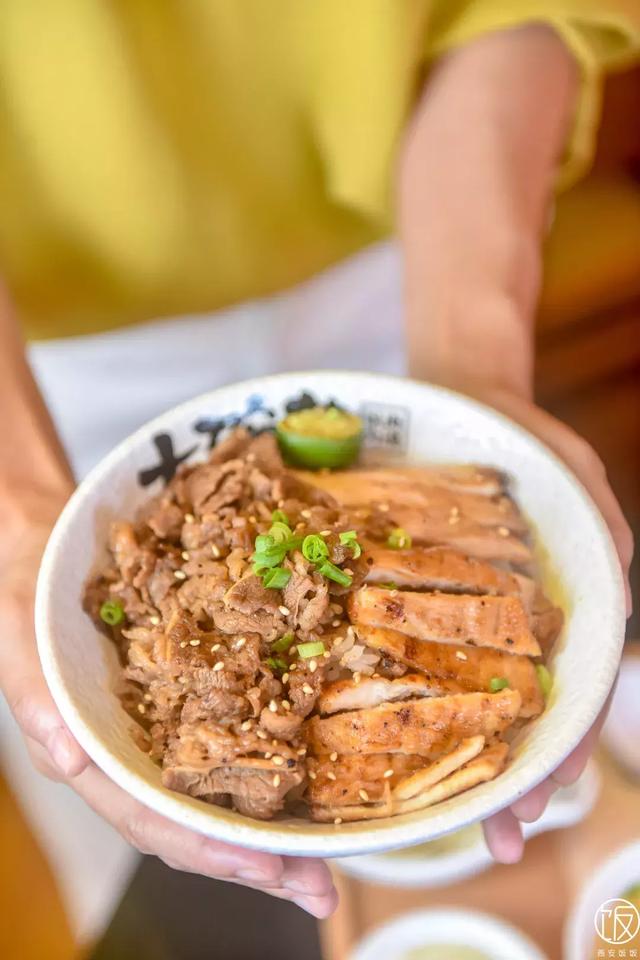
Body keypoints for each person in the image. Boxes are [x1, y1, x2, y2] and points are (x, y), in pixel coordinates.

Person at [0, 2, 637, 928]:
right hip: (57, 359)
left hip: (411, 232)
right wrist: (18, 505)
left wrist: (470, 376)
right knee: (152, 836)